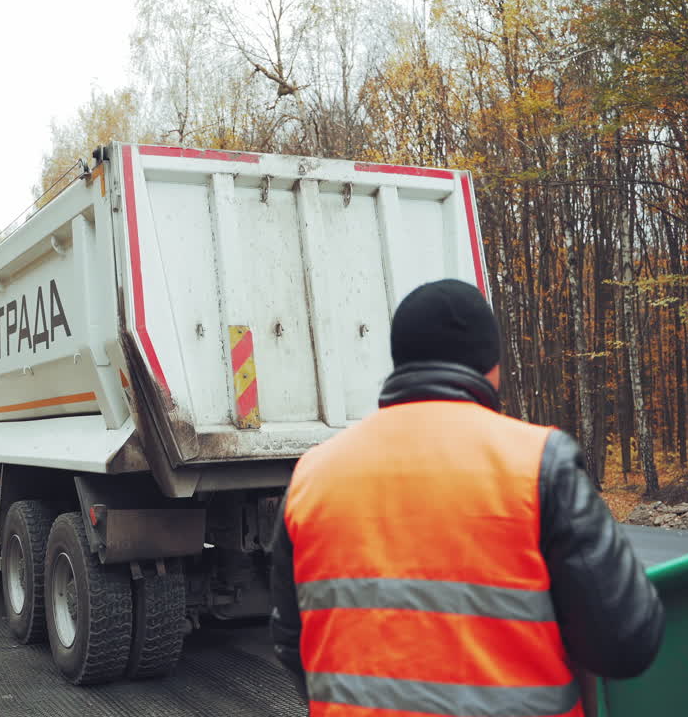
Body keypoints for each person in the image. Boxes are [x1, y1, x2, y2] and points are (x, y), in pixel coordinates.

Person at [269, 279, 664, 717]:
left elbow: (292, 641)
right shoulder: (540, 463)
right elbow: (623, 643)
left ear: (400, 362)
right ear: (492, 366)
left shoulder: (312, 475)